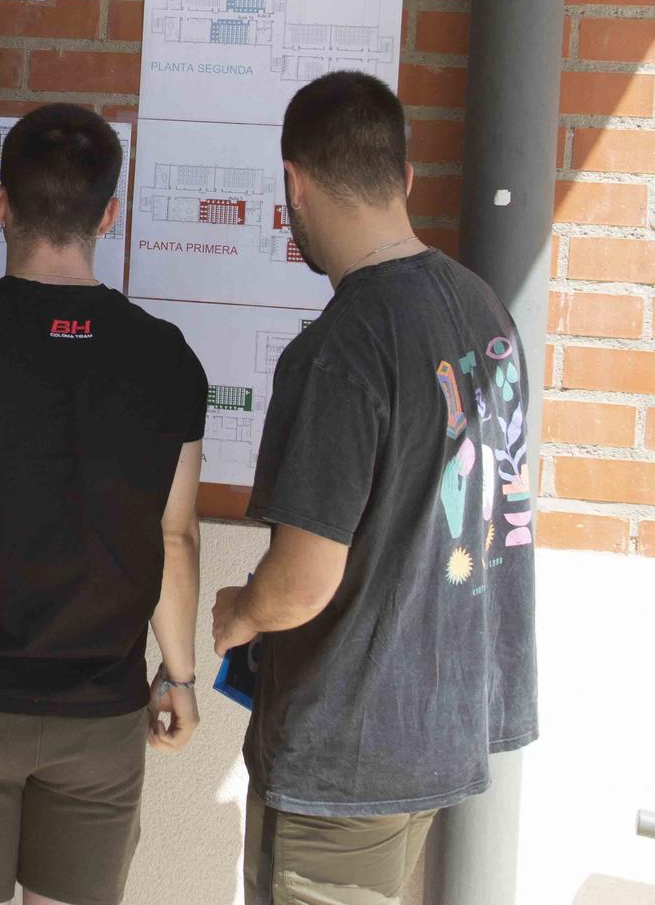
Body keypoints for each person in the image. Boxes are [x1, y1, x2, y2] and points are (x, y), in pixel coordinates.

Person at [210, 71, 538, 905]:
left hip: (346, 760)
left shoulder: (340, 348)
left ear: (295, 183)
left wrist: (236, 613)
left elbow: (301, 583)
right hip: (437, 732)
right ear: (406, 178)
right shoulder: (484, 311)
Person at [0, 102, 209, 905]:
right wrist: (179, 676)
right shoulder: (166, 355)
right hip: (99, 712)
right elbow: (175, 538)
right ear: (111, 213)